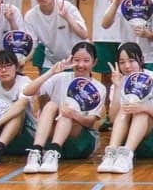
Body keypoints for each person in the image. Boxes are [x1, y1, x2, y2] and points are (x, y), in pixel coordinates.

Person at [21, 41, 106, 174]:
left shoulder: (98, 88)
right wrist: (51, 71)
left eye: (86, 61)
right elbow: (27, 91)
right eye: (77, 60)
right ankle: (36, 151)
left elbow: (90, 122)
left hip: (80, 140)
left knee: (66, 113)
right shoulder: (60, 77)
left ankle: (53, 154)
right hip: (54, 133)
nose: (81, 65)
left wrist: (73, 115)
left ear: (94, 62)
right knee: (50, 105)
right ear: (71, 60)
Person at [97, 43, 153, 174]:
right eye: (122, 62)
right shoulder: (119, 82)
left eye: (131, 61)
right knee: (125, 109)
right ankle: (111, 153)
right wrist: (118, 87)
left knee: (140, 112)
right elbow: (113, 119)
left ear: (141, 60)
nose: (127, 66)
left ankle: (127, 155)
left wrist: (143, 108)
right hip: (127, 137)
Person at [23, 0, 88, 72]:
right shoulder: (30, 16)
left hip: (76, 59)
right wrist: (23, 60)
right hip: (53, 61)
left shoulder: (67, 7)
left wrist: (67, 17)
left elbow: (84, 34)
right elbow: (33, 45)